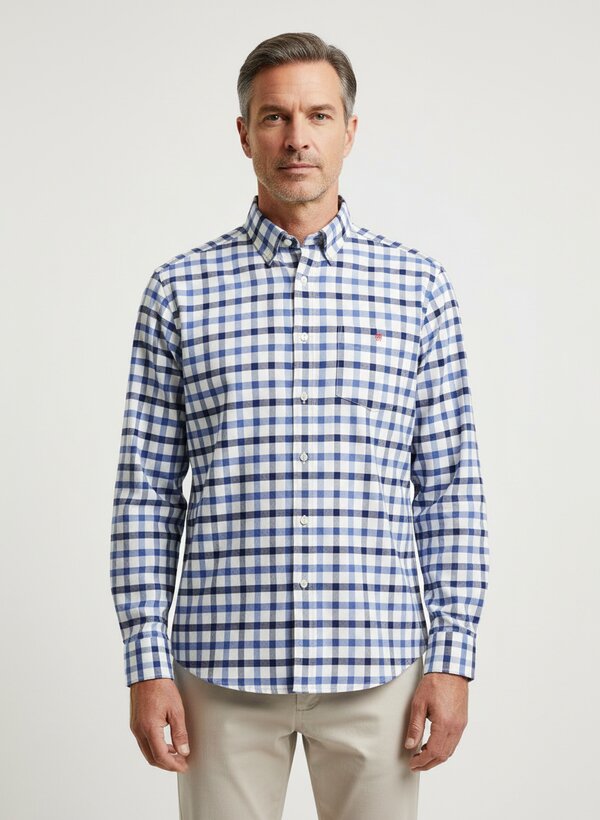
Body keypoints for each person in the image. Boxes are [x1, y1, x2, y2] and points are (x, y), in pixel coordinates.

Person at [110, 31, 490, 820]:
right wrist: (146, 662)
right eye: (274, 116)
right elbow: (146, 494)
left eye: (318, 115)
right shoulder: (179, 291)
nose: (297, 138)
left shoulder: (418, 289)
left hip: (379, 668)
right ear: (243, 133)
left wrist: (453, 658)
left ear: (350, 130)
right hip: (220, 671)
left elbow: (450, 488)